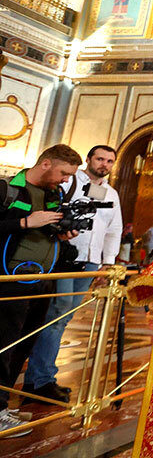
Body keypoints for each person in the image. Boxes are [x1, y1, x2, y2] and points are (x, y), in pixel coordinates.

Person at [24, 145, 122, 404]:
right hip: (64, 257)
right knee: (57, 314)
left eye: (109, 161)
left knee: (63, 318)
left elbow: (114, 230)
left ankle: (39, 377)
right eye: (100, 159)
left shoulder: (111, 193)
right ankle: (41, 380)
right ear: (88, 159)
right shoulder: (68, 182)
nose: (104, 164)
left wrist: (107, 263)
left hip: (91, 261)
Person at [0, 145, 82, 436]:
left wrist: (62, 235)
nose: (66, 180)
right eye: (64, 173)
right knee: (3, 346)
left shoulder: (53, 195)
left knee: (22, 345)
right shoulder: (8, 189)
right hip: (9, 281)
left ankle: (3, 403)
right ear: (46, 163)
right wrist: (24, 222)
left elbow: (44, 235)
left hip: (42, 281)